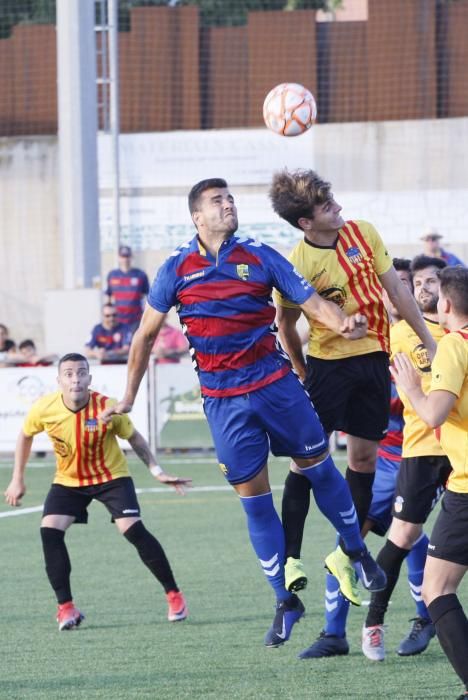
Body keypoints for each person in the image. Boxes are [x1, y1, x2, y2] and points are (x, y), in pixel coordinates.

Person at [100, 177, 386, 649]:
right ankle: (284, 600)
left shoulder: (260, 255)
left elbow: (312, 304)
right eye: (218, 201)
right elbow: (145, 336)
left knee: (320, 468)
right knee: (254, 501)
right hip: (224, 401)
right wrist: (128, 396)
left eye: (230, 199)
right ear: (197, 217)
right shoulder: (175, 267)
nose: (228, 205)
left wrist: (344, 324)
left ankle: (356, 551)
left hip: (277, 387)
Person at [269, 169, 437, 611]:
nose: (339, 209)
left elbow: (397, 292)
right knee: (306, 462)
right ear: (306, 223)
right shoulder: (297, 264)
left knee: (362, 460)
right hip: (327, 368)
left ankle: (348, 554)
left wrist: (429, 341)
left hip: (373, 363)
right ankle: (290, 560)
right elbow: (286, 324)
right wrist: (303, 370)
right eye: (327, 207)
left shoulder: (363, 233)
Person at [4, 353, 191, 630]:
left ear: (89, 379)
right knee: (49, 531)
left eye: (81, 373)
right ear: (59, 381)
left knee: (132, 530)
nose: (75, 379)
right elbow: (25, 435)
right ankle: (66, 608)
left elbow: (135, 438)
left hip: (111, 477)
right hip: (68, 481)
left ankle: (174, 595)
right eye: (68, 373)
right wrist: (16, 478)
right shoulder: (44, 408)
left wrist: (157, 471)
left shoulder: (107, 407)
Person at [361, 255, 452, 661]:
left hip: (461, 451)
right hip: (424, 452)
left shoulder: (458, 335)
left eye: (432, 281)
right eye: (417, 283)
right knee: (403, 536)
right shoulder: (398, 335)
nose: (423, 289)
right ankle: (374, 624)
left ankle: (429, 617)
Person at [390, 266, 468, 700]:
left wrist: (409, 388)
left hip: (467, 485)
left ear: (447, 306)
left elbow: (435, 413)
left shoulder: (455, 346)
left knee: (437, 588)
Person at [106, 245, 150, 329]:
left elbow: (148, 297)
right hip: (117, 321)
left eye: (127, 256)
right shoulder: (112, 275)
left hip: (136, 319)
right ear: (119, 258)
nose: (125, 259)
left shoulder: (141, 275)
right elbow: (108, 297)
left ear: (131, 257)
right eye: (123, 256)